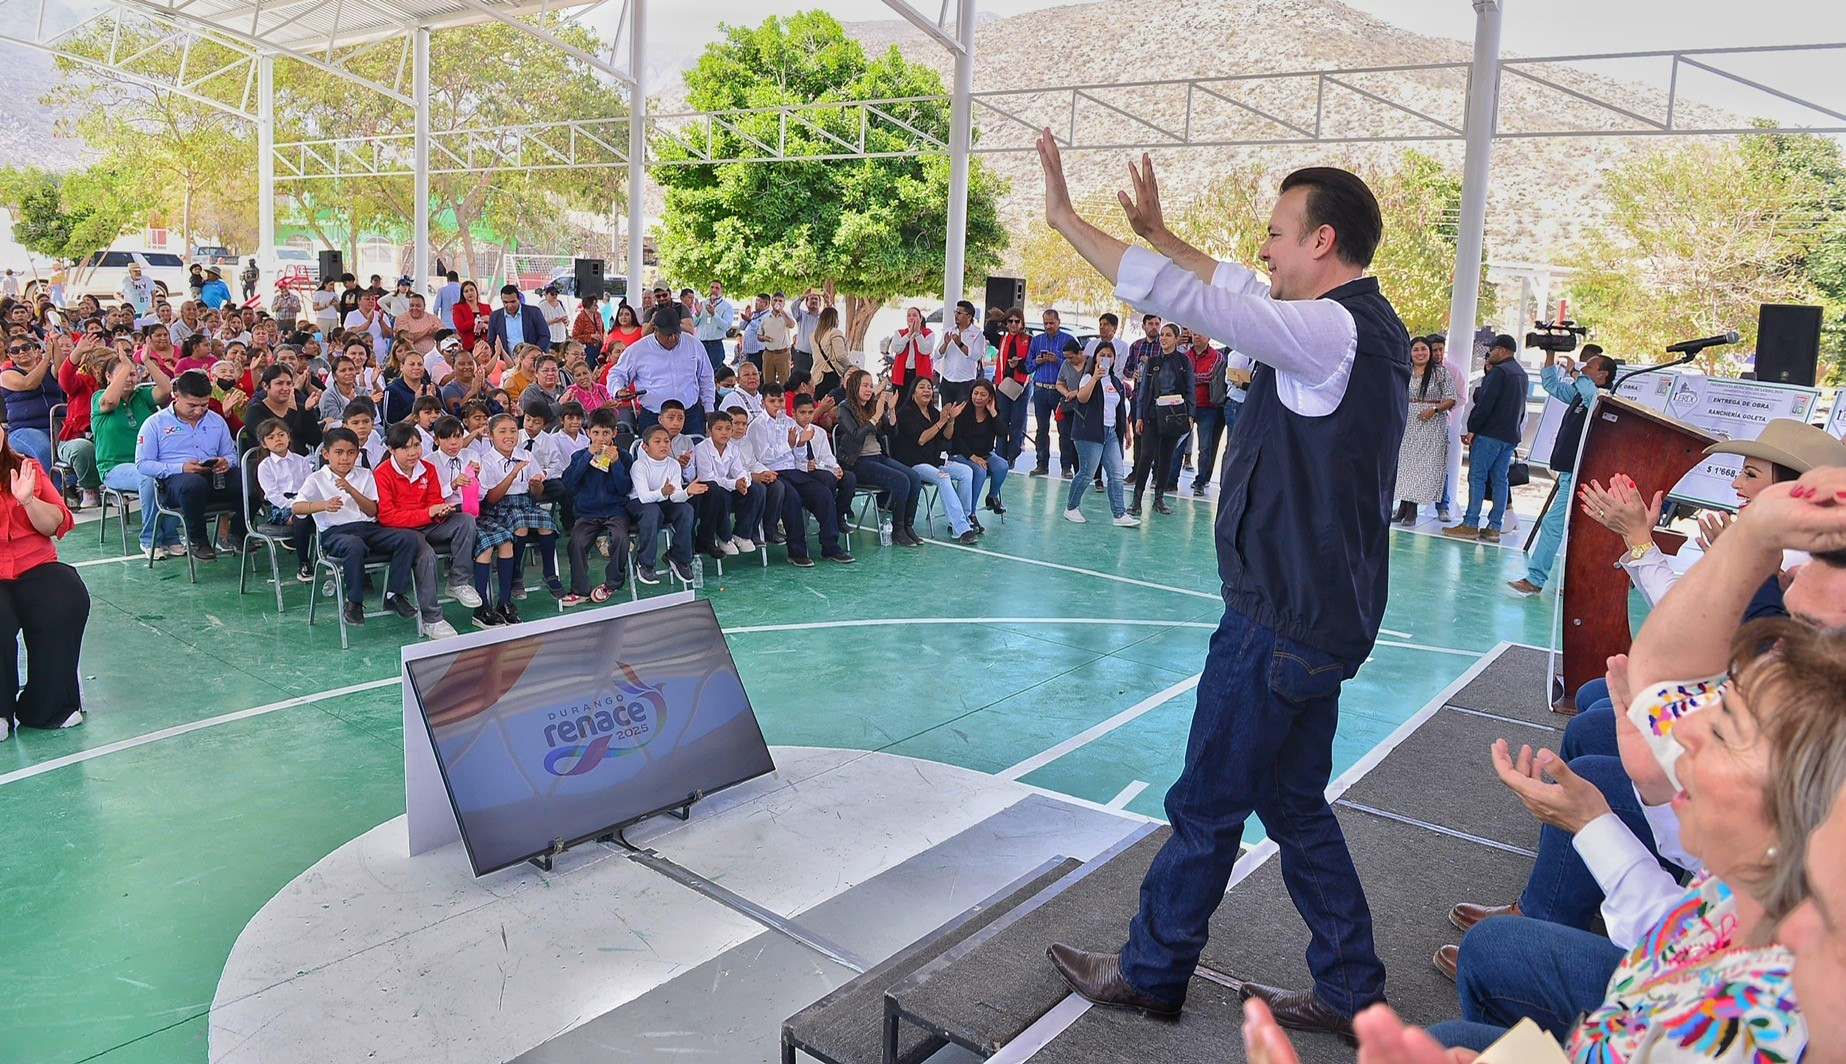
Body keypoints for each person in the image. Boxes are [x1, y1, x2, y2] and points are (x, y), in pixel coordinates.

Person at [1035, 133, 1409, 1034]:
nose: (1266, 249)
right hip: (1322, 614)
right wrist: (1160, 232)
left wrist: (1065, 219)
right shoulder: (1361, 326)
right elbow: (1235, 286)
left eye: (1279, 232)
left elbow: (1195, 300)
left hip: (1278, 618)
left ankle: (1152, 970)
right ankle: (1351, 987)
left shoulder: (1328, 331)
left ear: (1322, 241)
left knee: (1206, 802)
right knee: (1293, 803)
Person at [294, 428, 434, 634]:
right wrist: (322, 505)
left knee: (409, 538)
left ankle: (393, 594)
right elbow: (297, 508)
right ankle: (354, 602)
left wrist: (351, 490)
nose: (345, 458)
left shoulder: (365, 474)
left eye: (351, 452)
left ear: (358, 454)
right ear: (326, 454)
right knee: (354, 545)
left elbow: (372, 510)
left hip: (368, 528)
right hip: (336, 532)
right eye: (339, 452)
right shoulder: (316, 479)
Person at [0, 417, 88, 740]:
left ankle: (46, 706)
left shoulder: (27, 467)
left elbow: (56, 523)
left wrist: (28, 501)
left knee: (66, 596)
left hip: (34, 565)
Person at [1507, 345, 1616, 594]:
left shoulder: (1601, 398)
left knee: (1554, 523)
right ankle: (1570, 582)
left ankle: (1537, 579)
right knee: (1573, 527)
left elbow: (1591, 396)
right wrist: (1550, 355)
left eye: (1590, 367)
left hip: (1582, 473)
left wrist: (1575, 373)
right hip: (1569, 472)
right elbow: (1552, 386)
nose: (1584, 369)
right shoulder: (1579, 394)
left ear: (1603, 375)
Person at [374, 422, 480, 625]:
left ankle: (458, 582)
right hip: (403, 531)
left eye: (416, 445)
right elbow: (387, 517)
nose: (413, 452)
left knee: (466, 521)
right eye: (405, 448)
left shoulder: (428, 468)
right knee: (427, 555)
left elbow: (434, 500)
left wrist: (440, 511)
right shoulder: (382, 473)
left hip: (429, 523)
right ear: (391, 450)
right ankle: (432, 618)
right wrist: (429, 513)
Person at [135, 370, 247, 561]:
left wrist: (226, 462)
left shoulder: (216, 420)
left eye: (204, 405)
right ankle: (198, 540)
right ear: (176, 396)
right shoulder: (155, 423)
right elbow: (143, 464)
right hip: (176, 482)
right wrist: (181, 467)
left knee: (251, 478)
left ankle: (238, 532)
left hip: (213, 477)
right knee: (193, 484)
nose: (198, 411)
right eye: (192, 405)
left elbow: (231, 454)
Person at [94, 351, 181, 558]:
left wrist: (146, 361)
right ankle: (150, 538)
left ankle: (170, 536)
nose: (129, 378)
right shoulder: (99, 397)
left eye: (133, 374)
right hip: (114, 467)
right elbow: (110, 402)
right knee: (148, 477)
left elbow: (165, 389)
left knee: (174, 472)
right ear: (108, 377)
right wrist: (125, 366)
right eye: (123, 374)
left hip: (146, 462)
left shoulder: (141, 396)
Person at [1444, 334, 1527, 544]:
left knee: (1477, 477)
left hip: (1489, 434)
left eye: (1493, 350)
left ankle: (1470, 523)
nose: (1490, 354)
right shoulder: (1521, 373)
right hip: (1509, 435)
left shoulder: (1499, 372)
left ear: (1503, 351)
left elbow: (1485, 403)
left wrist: (1472, 428)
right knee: (1500, 479)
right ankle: (1494, 528)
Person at [836, 368, 923, 547]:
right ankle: (897, 530)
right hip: (857, 462)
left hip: (878, 456)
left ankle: (908, 526)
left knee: (914, 477)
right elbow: (856, 435)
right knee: (901, 481)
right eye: (865, 385)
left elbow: (891, 433)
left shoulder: (872, 405)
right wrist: (875, 416)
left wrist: (891, 410)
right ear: (854, 386)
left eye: (871, 385)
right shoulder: (844, 407)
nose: (869, 389)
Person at [558, 407, 632, 606]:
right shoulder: (579, 455)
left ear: (614, 433)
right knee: (576, 543)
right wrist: (587, 456)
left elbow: (625, 488)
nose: (601, 438)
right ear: (588, 433)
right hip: (587, 513)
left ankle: (611, 583)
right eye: (596, 433)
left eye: (606, 433)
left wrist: (616, 464)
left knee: (621, 539)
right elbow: (568, 482)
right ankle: (580, 590)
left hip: (616, 511)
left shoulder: (624, 456)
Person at [890, 377, 978, 545]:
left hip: (934, 460)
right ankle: (961, 528)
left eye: (929, 388)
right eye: (921, 387)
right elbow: (921, 439)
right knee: (943, 477)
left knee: (966, 471)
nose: (926, 390)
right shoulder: (906, 412)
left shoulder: (933, 412)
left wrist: (950, 420)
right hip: (913, 463)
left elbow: (946, 437)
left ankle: (965, 519)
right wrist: (942, 421)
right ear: (913, 393)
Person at [606, 304, 714, 435]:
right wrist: (618, 390)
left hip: (689, 416)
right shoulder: (638, 349)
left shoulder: (694, 344)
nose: (672, 338)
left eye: (676, 334)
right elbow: (616, 374)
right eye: (667, 335)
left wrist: (709, 408)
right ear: (656, 330)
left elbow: (706, 377)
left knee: (694, 447)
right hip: (653, 417)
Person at [1063, 346, 1136, 526]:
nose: (1106, 358)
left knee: (1116, 473)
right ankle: (1071, 507)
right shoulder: (1088, 378)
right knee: (1087, 472)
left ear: (1114, 359)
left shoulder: (1116, 382)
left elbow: (1119, 409)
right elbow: (1082, 398)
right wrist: (1095, 378)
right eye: (1102, 355)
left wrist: (1126, 431)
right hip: (1089, 431)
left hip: (1111, 432)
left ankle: (1119, 514)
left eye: (1109, 355)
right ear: (1095, 358)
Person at [1128, 323, 1194, 517]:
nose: (1163, 338)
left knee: (1166, 457)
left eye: (1168, 335)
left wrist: (1190, 415)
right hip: (1152, 415)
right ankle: (1137, 499)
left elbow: (1190, 389)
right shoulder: (1153, 362)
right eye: (1162, 335)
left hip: (1173, 416)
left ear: (1176, 338)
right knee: (1146, 455)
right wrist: (1139, 417)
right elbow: (1143, 391)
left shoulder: (1184, 362)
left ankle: (1159, 498)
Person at [1392, 336, 1459, 524]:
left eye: (1424, 349)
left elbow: (1451, 398)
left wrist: (1434, 409)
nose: (1420, 353)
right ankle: (1403, 507)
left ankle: (1412, 511)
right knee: (1405, 465)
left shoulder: (1440, 373)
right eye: (1416, 349)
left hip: (1431, 425)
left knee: (1421, 467)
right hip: (1407, 423)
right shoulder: (1405, 370)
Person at [627, 423, 704, 584]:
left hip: (663, 501)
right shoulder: (639, 466)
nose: (663, 445)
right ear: (645, 447)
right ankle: (645, 562)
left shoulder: (673, 464)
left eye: (666, 441)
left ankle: (679, 557)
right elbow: (643, 497)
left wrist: (687, 492)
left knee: (686, 509)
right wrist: (662, 492)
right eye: (657, 441)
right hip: (639, 504)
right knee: (652, 511)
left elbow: (675, 496)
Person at [251, 418, 318, 581]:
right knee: (300, 517)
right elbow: (273, 494)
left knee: (322, 513)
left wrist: (304, 502)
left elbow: (309, 484)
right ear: (264, 444)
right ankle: (304, 563)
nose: (278, 439)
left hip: (303, 499)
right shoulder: (265, 466)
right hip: (281, 506)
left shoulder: (301, 460)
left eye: (281, 435)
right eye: (271, 437)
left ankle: (328, 557)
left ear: (288, 437)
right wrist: (295, 505)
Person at [690, 407, 761, 558]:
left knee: (754, 490)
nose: (724, 433)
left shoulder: (732, 449)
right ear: (709, 431)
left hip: (727, 487)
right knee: (720, 492)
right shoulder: (702, 449)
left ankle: (742, 534)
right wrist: (734, 484)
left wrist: (743, 482)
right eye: (719, 429)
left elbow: (739, 470)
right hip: (709, 493)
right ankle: (724, 538)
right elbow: (707, 478)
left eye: (728, 429)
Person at [0, 332, 67, 480]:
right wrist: (46, 358)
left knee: (75, 447)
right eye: (15, 350)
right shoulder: (7, 374)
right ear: (9, 355)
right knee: (44, 449)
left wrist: (54, 343)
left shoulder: (49, 369)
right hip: (24, 428)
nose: (21, 352)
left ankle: (76, 485)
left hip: (57, 424)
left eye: (25, 347)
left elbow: (62, 370)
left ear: (34, 349)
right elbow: (28, 383)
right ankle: (58, 488)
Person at [952, 378, 1010, 517]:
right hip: (962, 454)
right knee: (979, 471)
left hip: (984, 453)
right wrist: (973, 457)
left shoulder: (992, 413)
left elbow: (1003, 433)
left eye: (983, 395)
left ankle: (992, 497)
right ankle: (970, 513)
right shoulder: (963, 411)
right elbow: (956, 439)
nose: (978, 398)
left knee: (1002, 466)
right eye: (975, 393)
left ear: (990, 397)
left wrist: (993, 412)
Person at [1027, 308, 1074, 476]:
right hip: (1040, 389)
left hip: (1060, 391)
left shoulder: (1068, 340)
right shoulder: (1037, 340)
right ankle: (1041, 464)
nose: (1048, 326)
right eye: (1045, 323)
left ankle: (1066, 467)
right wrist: (1037, 361)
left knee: (1064, 430)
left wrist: (1057, 360)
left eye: (1051, 323)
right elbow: (1028, 366)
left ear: (1058, 322)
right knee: (1041, 429)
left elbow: (1075, 363)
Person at [1181, 330, 1228, 495]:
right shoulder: (1185, 356)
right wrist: (1193, 378)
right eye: (1194, 333)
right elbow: (1180, 376)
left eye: (1201, 333)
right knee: (1178, 444)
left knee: (1206, 447)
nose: (1197, 336)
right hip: (1186, 407)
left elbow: (1212, 375)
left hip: (1208, 407)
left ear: (1209, 337)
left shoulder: (1217, 357)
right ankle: (1170, 480)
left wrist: (1190, 378)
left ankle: (1201, 481)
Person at [993, 309, 1032, 465]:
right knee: (1002, 421)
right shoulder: (1002, 339)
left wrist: (1018, 364)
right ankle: (1000, 455)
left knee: (1017, 422)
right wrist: (1000, 318)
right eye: (1010, 321)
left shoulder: (1029, 340)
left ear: (1022, 323)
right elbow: (988, 331)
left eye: (1017, 321)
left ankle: (1012, 455)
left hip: (1021, 385)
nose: (1013, 324)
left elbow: (1031, 363)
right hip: (1004, 385)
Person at [936, 299, 986, 406]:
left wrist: (960, 344)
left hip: (966, 382)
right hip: (947, 379)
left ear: (969, 316)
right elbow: (937, 354)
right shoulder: (949, 331)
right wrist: (945, 344)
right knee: (946, 412)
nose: (956, 315)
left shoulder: (978, 334)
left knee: (962, 413)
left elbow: (976, 356)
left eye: (959, 313)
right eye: (955, 312)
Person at [888, 306, 934, 394]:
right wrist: (909, 334)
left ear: (920, 318)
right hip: (902, 374)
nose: (911, 317)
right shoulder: (900, 333)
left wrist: (917, 334)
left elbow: (925, 350)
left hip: (920, 374)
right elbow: (897, 349)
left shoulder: (928, 333)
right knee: (900, 400)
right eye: (909, 315)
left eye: (914, 315)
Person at [693, 280, 735, 374]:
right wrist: (697, 313)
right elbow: (693, 324)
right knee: (698, 372)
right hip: (700, 343)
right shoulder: (703, 304)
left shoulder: (726, 307)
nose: (714, 290)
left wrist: (714, 314)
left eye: (717, 288)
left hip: (715, 345)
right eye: (712, 287)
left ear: (721, 290)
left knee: (714, 373)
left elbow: (726, 326)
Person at [812, 305, 853, 398]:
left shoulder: (814, 335)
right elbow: (840, 356)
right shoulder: (834, 333)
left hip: (817, 375)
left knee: (820, 402)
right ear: (835, 319)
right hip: (831, 374)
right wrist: (850, 368)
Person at [758, 293, 795, 386]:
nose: (777, 303)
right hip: (768, 353)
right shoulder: (765, 318)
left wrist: (781, 311)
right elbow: (759, 335)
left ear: (784, 304)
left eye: (780, 301)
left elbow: (791, 325)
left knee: (785, 382)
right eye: (775, 300)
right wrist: (763, 338)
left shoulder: (787, 315)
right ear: (771, 302)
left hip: (783, 353)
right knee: (768, 382)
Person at [451, 281, 490, 352]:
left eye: (471, 290)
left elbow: (494, 325)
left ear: (476, 291)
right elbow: (460, 327)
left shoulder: (486, 307)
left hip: (485, 344)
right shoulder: (457, 307)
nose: (469, 293)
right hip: (468, 346)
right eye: (466, 291)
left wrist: (487, 326)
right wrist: (479, 320)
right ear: (463, 294)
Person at [573, 293, 606, 367]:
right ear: (588, 305)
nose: (597, 307)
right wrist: (591, 336)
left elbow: (602, 330)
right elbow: (575, 337)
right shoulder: (581, 318)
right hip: (587, 349)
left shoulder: (598, 315)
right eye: (594, 305)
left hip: (600, 347)